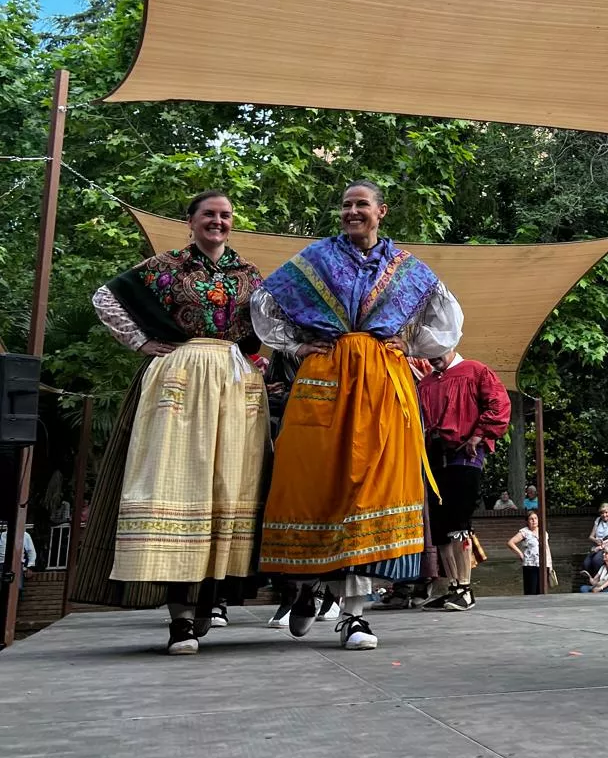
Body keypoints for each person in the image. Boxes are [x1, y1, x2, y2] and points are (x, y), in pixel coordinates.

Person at [252, 179, 462, 653]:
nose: (352, 212)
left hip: (383, 386)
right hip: (324, 379)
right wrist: (298, 344)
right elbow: (264, 303)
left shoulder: (406, 268)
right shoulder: (316, 260)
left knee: (369, 493)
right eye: (346, 205)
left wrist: (409, 344)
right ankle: (307, 585)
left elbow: (447, 320)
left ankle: (353, 616)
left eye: (361, 204)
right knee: (315, 487)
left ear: (380, 211)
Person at [79, 191, 270, 656]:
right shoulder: (166, 266)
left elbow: (269, 324)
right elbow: (105, 297)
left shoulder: (249, 274)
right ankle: (180, 618)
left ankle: (209, 601)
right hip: (181, 377)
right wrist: (143, 342)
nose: (218, 222)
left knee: (231, 488)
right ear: (191, 220)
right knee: (178, 483)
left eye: (225, 215)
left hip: (235, 383)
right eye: (209, 214)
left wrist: (259, 361)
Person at [417, 346, 511, 611]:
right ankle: (453, 587)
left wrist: (479, 434)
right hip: (435, 457)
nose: (433, 356)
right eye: (428, 352)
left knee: (459, 521)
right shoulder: (426, 382)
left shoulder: (476, 370)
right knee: (442, 525)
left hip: (464, 455)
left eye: (437, 350)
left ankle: (465, 588)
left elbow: (499, 404)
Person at [509, 510, 551, 594]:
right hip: (530, 565)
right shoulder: (524, 532)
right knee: (531, 590)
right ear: (527, 521)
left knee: (542, 590)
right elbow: (510, 542)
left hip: (543, 564)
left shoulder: (543, 532)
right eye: (531, 519)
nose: (534, 520)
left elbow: (547, 548)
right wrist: (520, 554)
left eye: (535, 518)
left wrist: (550, 564)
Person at [582, 502, 608, 575]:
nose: (604, 515)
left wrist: (601, 547)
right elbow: (590, 536)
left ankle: (602, 580)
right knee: (586, 564)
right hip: (598, 547)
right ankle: (593, 580)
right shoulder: (598, 520)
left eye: (606, 512)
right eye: (602, 513)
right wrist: (595, 540)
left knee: (596, 560)